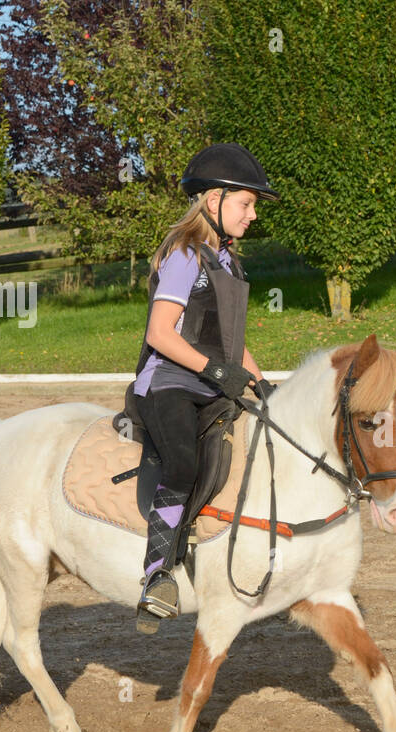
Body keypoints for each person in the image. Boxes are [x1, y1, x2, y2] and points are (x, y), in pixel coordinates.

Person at [133, 143, 279, 631]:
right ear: (213, 202)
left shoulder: (229, 262)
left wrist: (262, 384)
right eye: (247, 203)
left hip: (211, 385)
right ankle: (158, 576)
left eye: (254, 205)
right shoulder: (184, 254)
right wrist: (218, 372)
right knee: (183, 463)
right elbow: (160, 334)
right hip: (170, 383)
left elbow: (232, 343)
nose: (253, 214)